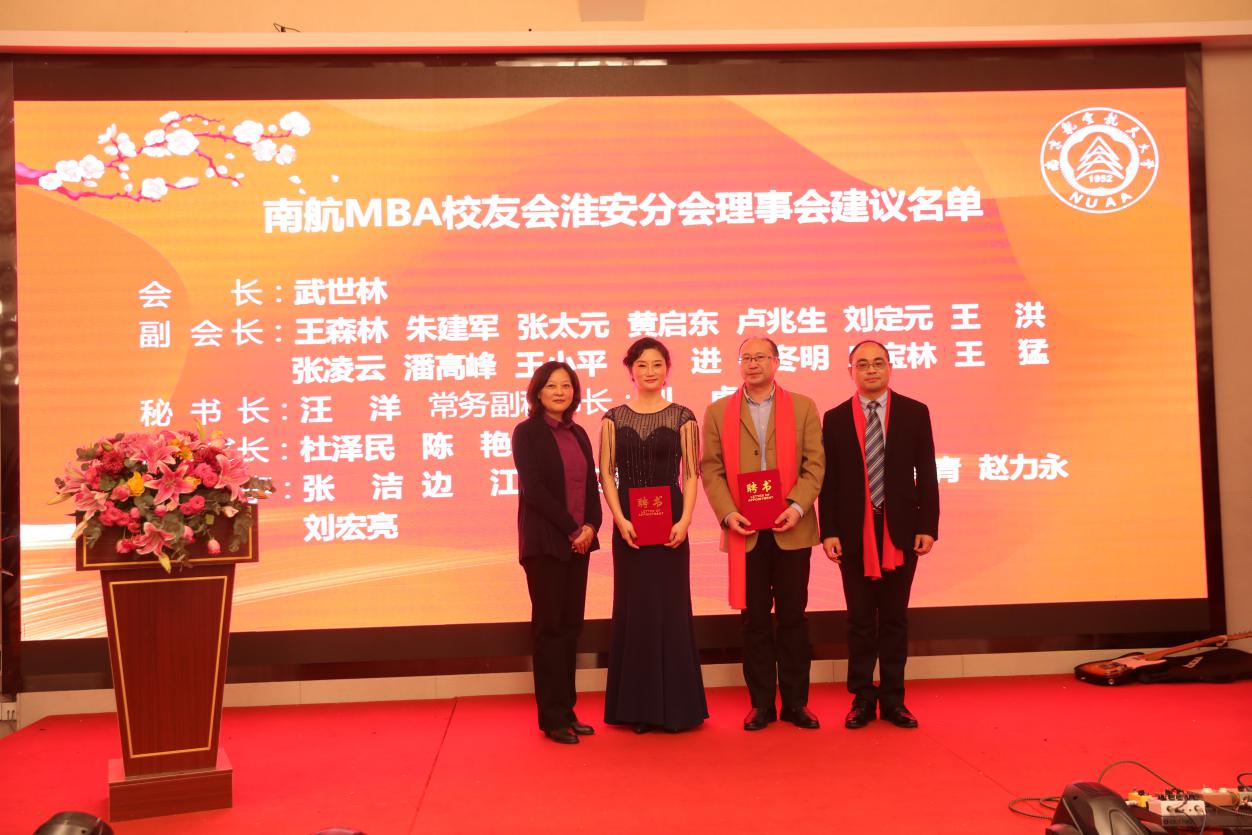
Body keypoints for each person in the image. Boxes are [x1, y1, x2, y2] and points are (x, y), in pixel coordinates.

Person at [700, 337, 825, 731]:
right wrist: (728, 514)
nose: (752, 363)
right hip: (746, 530)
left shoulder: (803, 407)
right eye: (746, 357)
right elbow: (711, 469)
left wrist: (796, 506)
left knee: (793, 618)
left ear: (776, 362)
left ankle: (796, 703)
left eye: (760, 357)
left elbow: (815, 465)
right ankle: (761, 704)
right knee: (753, 620)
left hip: (792, 527)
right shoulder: (718, 411)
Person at [819, 340, 939, 730]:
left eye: (878, 363)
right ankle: (861, 699)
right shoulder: (835, 418)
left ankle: (893, 700)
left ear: (889, 367)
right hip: (853, 532)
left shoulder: (914, 412)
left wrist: (927, 526)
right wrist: (828, 531)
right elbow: (829, 481)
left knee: (894, 619)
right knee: (858, 620)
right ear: (850, 371)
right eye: (862, 364)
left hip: (900, 531)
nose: (871, 370)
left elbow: (927, 472)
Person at [600, 337, 708, 733]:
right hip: (629, 525)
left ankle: (676, 706)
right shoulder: (612, 418)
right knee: (635, 609)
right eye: (642, 365)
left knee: (670, 607)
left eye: (657, 364)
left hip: (671, 524)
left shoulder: (683, 417)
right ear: (631, 370)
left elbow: (691, 473)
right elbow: (605, 474)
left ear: (667, 370)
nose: (650, 371)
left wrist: (686, 519)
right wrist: (619, 518)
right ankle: (638, 708)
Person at [512, 361, 603, 745]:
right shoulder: (527, 432)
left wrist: (591, 526)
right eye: (552, 386)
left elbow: (591, 487)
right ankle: (552, 718)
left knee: (570, 628)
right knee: (549, 630)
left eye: (566, 386)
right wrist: (571, 528)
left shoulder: (578, 433)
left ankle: (568, 710)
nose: (560, 392)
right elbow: (534, 489)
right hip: (546, 545)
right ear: (538, 391)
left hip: (579, 545)